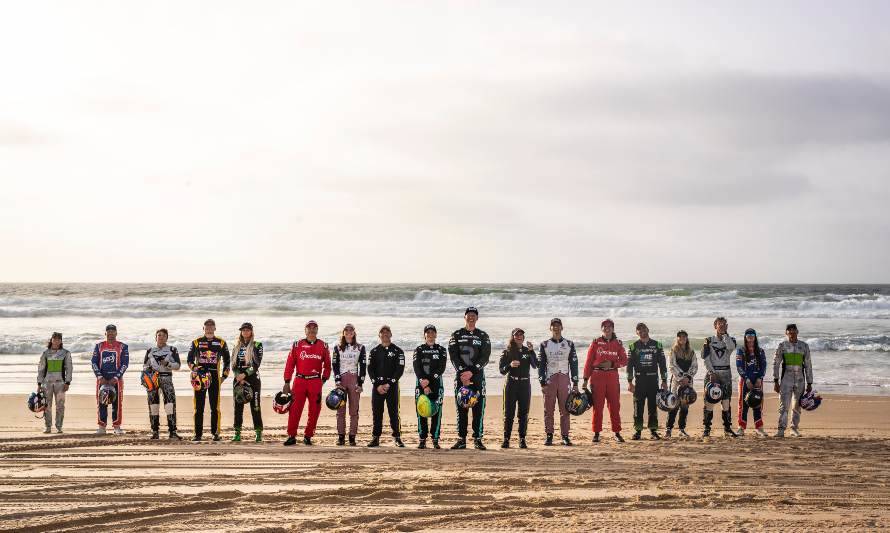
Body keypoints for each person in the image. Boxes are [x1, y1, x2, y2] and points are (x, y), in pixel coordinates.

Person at [448, 306, 492, 450]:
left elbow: (485, 357)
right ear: (464, 317)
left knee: (478, 408)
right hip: (461, 377)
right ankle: (461, 439)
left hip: (477, 377)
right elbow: (453, 356)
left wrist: (472, 372)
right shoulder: (456, 334)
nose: (471, 317)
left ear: (477, 318)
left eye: (474, 315)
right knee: (462, 408)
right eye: (469, 315)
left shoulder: (483, 335)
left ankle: (477, 439)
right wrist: (463, 374)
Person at [282, 320, 331, 446]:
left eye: (314, 328)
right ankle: (291, 436)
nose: (312, 330)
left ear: (317, 330)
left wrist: (323, 379)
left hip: (315, 381)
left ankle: (308, 436)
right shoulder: (297, 345)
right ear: (305, 330)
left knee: (315, 410)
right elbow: (289, 364)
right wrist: (287, 381)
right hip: (299, 381)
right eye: (309, 328)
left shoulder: (323, 346)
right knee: (294, 409)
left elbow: (328, 366)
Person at [581, 319, 627, 443]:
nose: (607, 329)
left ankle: (617, 432)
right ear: (601, 329)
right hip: (597, 377)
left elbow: (624, 361)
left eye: (609, 327)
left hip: (612, 376)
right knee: (598, 406)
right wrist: (585, 379)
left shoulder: (618, 343)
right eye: (605, 327)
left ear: (613, 328)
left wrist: (612, 363)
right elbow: (589, 362)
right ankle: (596, 433)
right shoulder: (595, 343)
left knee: (614, 406)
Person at [187, 318, 231, 442]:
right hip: (199, 378)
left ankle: (215, 433)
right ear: (203, 329)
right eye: (207, 327)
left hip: (215, 378)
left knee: (215, 407)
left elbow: (228, 361)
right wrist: (195, 368)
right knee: (198, 407)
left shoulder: (221, 343)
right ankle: (197, 434)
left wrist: (224, 376)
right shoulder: (196, 342)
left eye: (212, 327)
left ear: (215, 328)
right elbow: (189, 360)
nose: (209, 329)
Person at [537, 317, 579, 446]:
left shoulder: (569, 344)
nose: (556, 328)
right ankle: (549, 435)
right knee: (548, 409)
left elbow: (574, 364)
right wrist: (542, 383)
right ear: (550, 328)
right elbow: (541, 365)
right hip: (550, 380)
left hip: (564, 379)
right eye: (553, 326)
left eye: (558, 325)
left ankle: (565, 436)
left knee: (565, 409)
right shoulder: (544, 345)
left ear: (562, 327)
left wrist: (575, 383)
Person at [627, 322, 668, 440]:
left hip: (653, 380)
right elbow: (629, 366)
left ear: (648, 330)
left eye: (643, 329)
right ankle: (638, 431)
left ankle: (653, 431)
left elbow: (663, 364)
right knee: (637, 407)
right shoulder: (633, 346)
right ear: (636, 333)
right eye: (639, 330)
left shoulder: (657, 345)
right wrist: (630, 382)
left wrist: (664, 380)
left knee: (652, 407)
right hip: (639, 381)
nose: (641, 332)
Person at [367, 325, 405, 448]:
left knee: (393, 413)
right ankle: (375, 437)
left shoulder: (398, 351)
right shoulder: (374, 351)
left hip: (392, 386)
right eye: (382, 332)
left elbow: (399, 370)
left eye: (387, 332)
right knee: (377, 413)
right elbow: (370, 369)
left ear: (391, 334)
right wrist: (376, 385)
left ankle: (397, 437)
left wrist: (389, 384)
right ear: (379, 335)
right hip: (377, 387)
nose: (385, 334)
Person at [499, 328, 538, 449]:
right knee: (509, 413)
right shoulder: (507, 351)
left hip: (525, 385)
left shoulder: (528, 350)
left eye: (521, 335)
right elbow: (501, 370)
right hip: (511, 384)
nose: (519, 337)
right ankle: (506, 439)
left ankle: (522, 439)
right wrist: (510, 365)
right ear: (513, 337)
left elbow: (535, 365)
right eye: (516, 335)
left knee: (523, 413)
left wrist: (532, 351)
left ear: (524, 337)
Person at [773, 323, 813, 438]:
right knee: (783, 406)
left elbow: (808, 365)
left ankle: (794, 429)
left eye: (794, 332)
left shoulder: (804, 346)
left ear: (797, 332)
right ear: (786, 333)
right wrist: (775, 381)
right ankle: (781, 430)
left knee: (797, 406)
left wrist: (809, 382)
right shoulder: (782, 346)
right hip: (786, 379)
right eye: (789, 332)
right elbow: (776, 363)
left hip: (800, 379)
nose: (792, 334)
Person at [701, 317, 738, 438]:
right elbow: (705, 358)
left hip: (726, 374)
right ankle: (707, 428)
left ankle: (727, 428)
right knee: (709, 401)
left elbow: (731, 348)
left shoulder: (731, 340)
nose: (721, 326)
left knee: (726, 402)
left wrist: (725, 334)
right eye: (719, 324)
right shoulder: (708, 340)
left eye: (723, 324)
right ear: (715, 326)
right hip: (712, 373)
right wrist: (711, 372)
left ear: (726, 326)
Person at [142, 328, 182, 440]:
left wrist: (168, 363)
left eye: (164, 335)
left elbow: (178, 366)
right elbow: (144, 366)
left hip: (166, 378)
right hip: (152, 381)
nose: (161, 337)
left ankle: (172, 432)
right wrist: (149, 371)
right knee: (153, 406)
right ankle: (155, 431)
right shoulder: (150, 350)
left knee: (170, 405)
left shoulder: (172, 349)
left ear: (167, 338)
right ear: (156, 337)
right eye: (159, 335)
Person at [91, 324, 129, 435]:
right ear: (105, 334)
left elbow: (125, 364)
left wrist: (116, 377)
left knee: (117, 404)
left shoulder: (123, 347)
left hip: (116, 381)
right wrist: (100, 377)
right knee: (101, 402)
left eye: (113, 333)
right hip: (102, 380)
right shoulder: (99, 346)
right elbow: (94, 363)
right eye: (109, 333)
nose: (111, 335)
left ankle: (117, 427)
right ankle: (101, 427)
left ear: (116, 333)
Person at [332, 323, 367, 446]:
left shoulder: (360, 347)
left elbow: (363, 366)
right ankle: (341, 437)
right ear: (343, 333)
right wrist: (337, 381)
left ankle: (352, 437)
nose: (348, 332)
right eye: (346, 330)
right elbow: (335, 365)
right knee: (340, 410)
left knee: (354, 411)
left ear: (354, 332)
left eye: (351, 330)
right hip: (341, 380)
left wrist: (360, 383)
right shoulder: (337, 347)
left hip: (354, 380)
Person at [413, 324, 447, 449]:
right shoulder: (419, 349)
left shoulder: (442, 349)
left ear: (436, 335)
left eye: (433, 332)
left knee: (436, 411)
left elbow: (441, 368)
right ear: (424, 335)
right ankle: (422, 439)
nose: (430, 334)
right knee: (422, 410)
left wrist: (430, 382)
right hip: (421, 384)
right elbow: (417, 367)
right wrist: (423, 382)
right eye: (428, 332)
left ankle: (435, 438)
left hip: (437, 384)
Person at [231, 322, 263, 442]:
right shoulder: (236, 345)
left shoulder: (257, 345)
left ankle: (258, 433)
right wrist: (238, 376)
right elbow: (233, 365)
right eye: (243, 330)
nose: (245, 332)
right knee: (237, 407)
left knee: (255, 406)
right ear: (241, 332)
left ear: (251, 331)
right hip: (238, 379)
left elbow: (256, 364)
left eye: (247, 330)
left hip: (253, 378)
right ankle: (237, 433)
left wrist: (245, 374)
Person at [37, 332, 72, 434]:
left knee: (60, 406)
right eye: (54, 339)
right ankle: (48, 426)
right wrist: (39, 384)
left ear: (61, 341)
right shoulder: (45, 353)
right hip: (47, 383)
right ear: (51, 340)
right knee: (47, 405)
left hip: (60, 383)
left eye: (58, 339)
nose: (56, 341)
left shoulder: (66, 353)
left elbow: (69, 369)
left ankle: (59, 427)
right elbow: (41, 369)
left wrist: (68, 382)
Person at [665, 330, 697, 438]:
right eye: (680, 336)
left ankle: (681, 429)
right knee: (674, 405)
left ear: (687, 338)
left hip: (688, 382)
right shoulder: (673, 350)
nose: (682, 338)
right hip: (676, 382)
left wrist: (687, 377)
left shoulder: (691, 351)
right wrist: (681, 377)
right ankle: (668, 429)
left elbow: (695, 366)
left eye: (684, 336)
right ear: (677, 338)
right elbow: (671, 366)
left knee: (685, 406)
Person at [736, 328, 767, 436]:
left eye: (752, 335)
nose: (750, 336)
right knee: (743, 404)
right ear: (745, 337)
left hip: (757, 380)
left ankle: (759, 428)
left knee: (757, 403)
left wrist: (760, 378)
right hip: (745, 381)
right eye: (748, 335)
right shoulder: (741, 350)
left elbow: (764, 366)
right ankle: (741, 427)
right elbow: (739, 367)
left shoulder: (760, 351)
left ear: (755, 337)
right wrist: (746, 379)